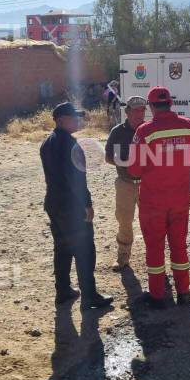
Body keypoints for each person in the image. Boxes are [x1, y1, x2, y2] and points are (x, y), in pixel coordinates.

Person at [129, 87, 190, 309]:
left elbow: (134, 170)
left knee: (155, 247)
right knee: (179, 246)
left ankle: (158, 295)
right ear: (171, 103)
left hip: (153, 201)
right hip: (180, 199)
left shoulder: (144, 131)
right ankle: (184, 293)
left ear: (151, 107)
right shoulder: (189, 126)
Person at [40, 102, 114, 311]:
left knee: (62, 248)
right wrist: (87, 204)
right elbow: (77, 180)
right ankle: (89, 296)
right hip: (71, 206)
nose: (77, 120)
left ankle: (63, 292)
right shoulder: (70, 144)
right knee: (84, 250)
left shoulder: (47, 142)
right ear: (61, 120)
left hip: (54, 204)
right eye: (74, 117)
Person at [105, 96, 147, 272]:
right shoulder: (117, 132)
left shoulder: (150, 130)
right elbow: (108, 157)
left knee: (150, 221)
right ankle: (123, 257)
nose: (139, 113)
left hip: (148, 184)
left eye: (142, 110)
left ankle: (154, 257)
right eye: (135, 110)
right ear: (127, 112)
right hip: (125, 184)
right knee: (124, 220)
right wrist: (125, 163)